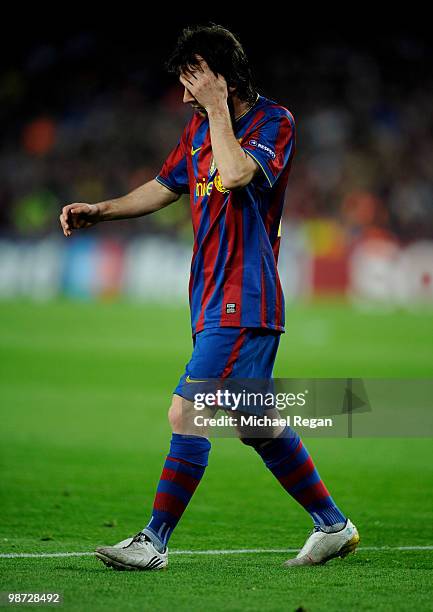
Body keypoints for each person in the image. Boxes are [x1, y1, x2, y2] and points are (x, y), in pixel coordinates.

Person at [59, 24, 359, 570]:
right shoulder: (197, 129)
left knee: (186, 412)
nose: (184, 95)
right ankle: (334, 525)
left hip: (245, 297)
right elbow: (164, 184)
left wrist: (220, 108)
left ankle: (153, 541)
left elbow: (239, 172)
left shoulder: (274, 121)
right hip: (208, 295)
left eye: (191, 81)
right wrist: (101, 210)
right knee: (254, 422)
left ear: (219, 78)